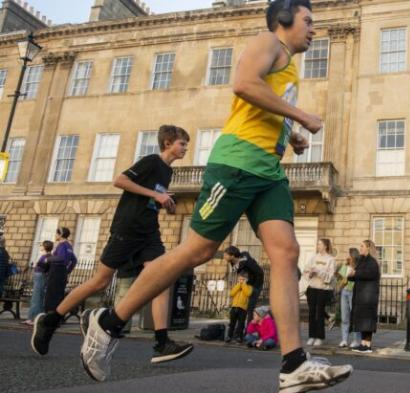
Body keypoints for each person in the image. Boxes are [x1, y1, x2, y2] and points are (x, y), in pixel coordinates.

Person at [59, 1, 352, 390]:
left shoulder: (289, 66)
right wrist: (302, 117)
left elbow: (260, 103)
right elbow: (244, 84)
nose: (314, 29)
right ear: (284, 20)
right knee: (196, 252)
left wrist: (289, 133)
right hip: (236, 165)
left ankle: (294, 364)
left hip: (267, 171)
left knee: (286, 253)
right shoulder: (269, 42)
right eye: (308, 21)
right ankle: (108, 322)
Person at [31, 125, 193, 366]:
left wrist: (164, 203)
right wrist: (155, 195)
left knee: (162, 279)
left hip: (148, 233)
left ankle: (161, 342)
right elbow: (120, 180)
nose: (185, 148)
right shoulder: (151, 161)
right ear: (168, 143)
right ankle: (50, 320)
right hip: (127, 229)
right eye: (182, 144)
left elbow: (150, 199)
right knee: (100, 281)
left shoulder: (167, 172)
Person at [349, 240, 380, 354]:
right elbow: (358, 274)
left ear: (368, 248)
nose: (360, 248)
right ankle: (363, 344)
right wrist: (350, 276)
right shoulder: (362, 261)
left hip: (368, 296)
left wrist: (355, 274)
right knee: (362, 320)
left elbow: (369, 274)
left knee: (367, 320)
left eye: (362, 246)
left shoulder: (372, 262)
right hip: (361, 295)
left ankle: (368, 345)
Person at [304, 239, 335, 346]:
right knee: (312, 313)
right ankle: (312, 336)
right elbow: (306, 271)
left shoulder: (330, 259)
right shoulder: (314, 257)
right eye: (317, 244)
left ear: (325, 246)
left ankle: (319, 337)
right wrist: (310, 273)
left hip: (323, 289)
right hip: (312, 288)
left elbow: (330, 277)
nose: (318, 246)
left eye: (320, 244)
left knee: (319, 313)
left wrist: (319, 271)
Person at [223, 246, 265, 325]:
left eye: (226, 254)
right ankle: (239, 331)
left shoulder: (246, 261)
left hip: (255, 285)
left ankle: (249, 331)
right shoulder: (234, 263)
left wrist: (254, 286)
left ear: (232, 255)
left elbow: (259, 272)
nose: (224, 256)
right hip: (246, 284)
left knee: (249, 308)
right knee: (242, 307)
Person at [43, 227, 78, 313]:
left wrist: (49, 259)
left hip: (56, 271)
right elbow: (74, 260)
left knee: (52, 294)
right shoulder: (69, 246)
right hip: (62, 272)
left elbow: (61, 258)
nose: (55, 235)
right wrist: (67, 271)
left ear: (61, 235)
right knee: (59, 295)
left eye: (56, 233)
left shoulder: (62, 245)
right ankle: (58, 315)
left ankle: (49, 315)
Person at [24, 241, 54, 325]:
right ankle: (33, 318)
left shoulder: (47, 257)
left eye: (41, 245)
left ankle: (33, 319)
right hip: (39, 277)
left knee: (37, 298)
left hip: (40, 277)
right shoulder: (46, 256)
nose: (40, 246)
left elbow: (44, 267)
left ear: (45, 247)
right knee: (37, 298)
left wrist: (37, 265)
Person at [336, 248, 361, 348]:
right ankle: (344, 339)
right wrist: (341, 284)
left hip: (353, 292)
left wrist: (347, 282)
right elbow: (340, 280)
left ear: (353, 256)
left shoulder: (357, 267)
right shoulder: (345, 266)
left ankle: (356, 340)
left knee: (354, 316)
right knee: (344, 317)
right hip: (344, 292)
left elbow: (354, 281)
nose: (347, 256)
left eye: (348, 255)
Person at [228, 272, 253, 343]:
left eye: (243, 279)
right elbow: (232, 293)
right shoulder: (237, 285)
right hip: (234, 307)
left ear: (246, 280)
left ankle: (239, 337)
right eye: (240, 279)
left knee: (241, 324)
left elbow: (248, 293)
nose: (241, 280)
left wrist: (244, 285)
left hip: (243, 308)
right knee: (232, 323)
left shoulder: (249, 287)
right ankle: (229, 336)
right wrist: (239, 285)